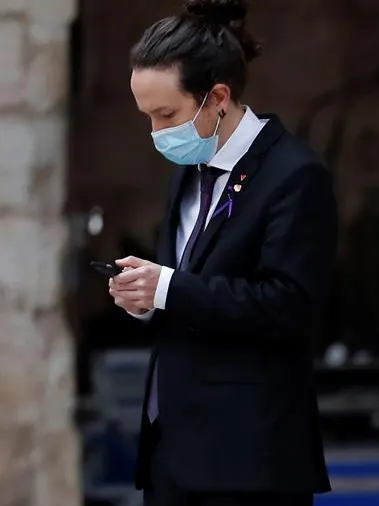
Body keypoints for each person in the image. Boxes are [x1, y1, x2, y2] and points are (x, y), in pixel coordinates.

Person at [106, 1, 335, 505]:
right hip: (171, 442)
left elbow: (290, 303)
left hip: (248, 455)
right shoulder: (188, 168)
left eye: (167, 115)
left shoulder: (294, 175)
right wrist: (144, 299)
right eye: (147, 116)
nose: (156, 132)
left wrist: (167, 287)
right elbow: (188, 292)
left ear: (218, 98)